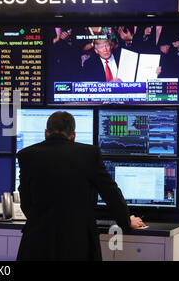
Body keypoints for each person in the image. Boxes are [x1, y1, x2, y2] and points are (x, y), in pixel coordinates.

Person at [16, 111, 145, 261]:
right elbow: (111, 193)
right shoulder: (89, 154)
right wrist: (126, 222)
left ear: (46, 133)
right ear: (73, 135)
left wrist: (40, 221)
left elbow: (26, 202)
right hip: (77, 242)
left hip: (36, 242)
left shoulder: (26, 155)